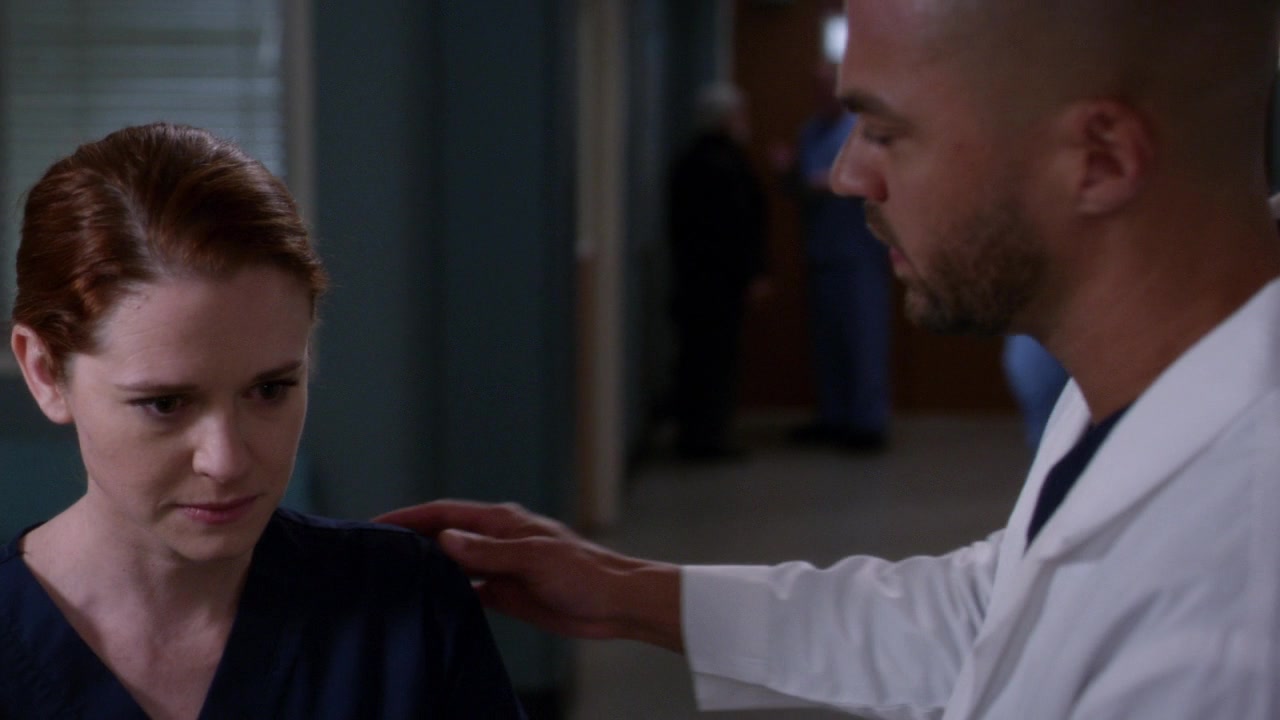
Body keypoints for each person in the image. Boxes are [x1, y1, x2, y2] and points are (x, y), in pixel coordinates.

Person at [379, 1, 1280, 718]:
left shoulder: (1230, 618)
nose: (848, 175)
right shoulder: (1151, 376)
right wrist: (629, 592)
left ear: (1100, 160)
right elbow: (997, 617)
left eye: (884, 132)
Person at [2, 123, 525, 718]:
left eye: (271, 390)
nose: (226, 462)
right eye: (165, 404)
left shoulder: (407, 612)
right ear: (44, 371)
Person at [783, 63, 892, 452]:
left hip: (858, 254)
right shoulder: (810, 132)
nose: (822, 96)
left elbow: (863, 182)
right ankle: (834, 417)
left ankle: (867, 423)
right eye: (817, 89)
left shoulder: (859, 132)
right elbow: (801, 182)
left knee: (863, 339)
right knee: (827, 342)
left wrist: (824, 183)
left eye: (829, 88)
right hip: (823, 252)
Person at [666, 82, 769, 460]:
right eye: (738, 114)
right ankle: (706, 438)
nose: (744, 121)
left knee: (701, 359)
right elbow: (736, 226)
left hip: (698, 281)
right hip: (717, 284)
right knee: (713, 361)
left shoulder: (692, 160)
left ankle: (701, 434)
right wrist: (751, 272)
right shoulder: (721, 165)